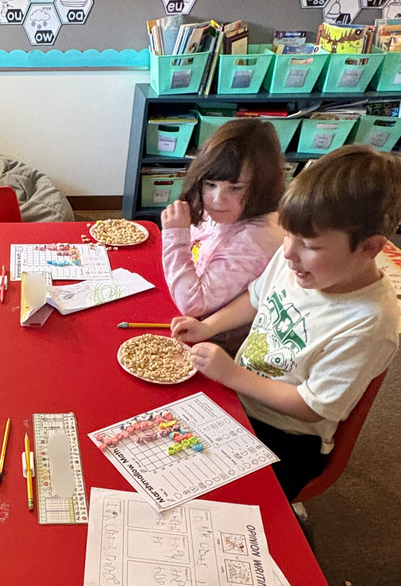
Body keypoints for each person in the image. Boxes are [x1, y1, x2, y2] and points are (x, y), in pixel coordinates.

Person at [171, 145, 401, 501]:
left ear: (370, 248)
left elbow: (312, 407)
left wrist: (232, 374)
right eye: (288, 234)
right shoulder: (296, 260)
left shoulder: (369, 323)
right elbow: (254, 297)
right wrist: (209, 327)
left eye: (309, 244)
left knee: (198, 496)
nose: (288, 252)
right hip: (239, 397)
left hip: (286, 435)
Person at [161, 117, 285, 352]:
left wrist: (176, 239)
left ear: (261, 189)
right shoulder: (228, 213)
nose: (218, 199)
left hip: (222, 345)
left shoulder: (255, 240)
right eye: (210, 184)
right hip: (199, 320)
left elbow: (193, 304)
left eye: (235, 188)